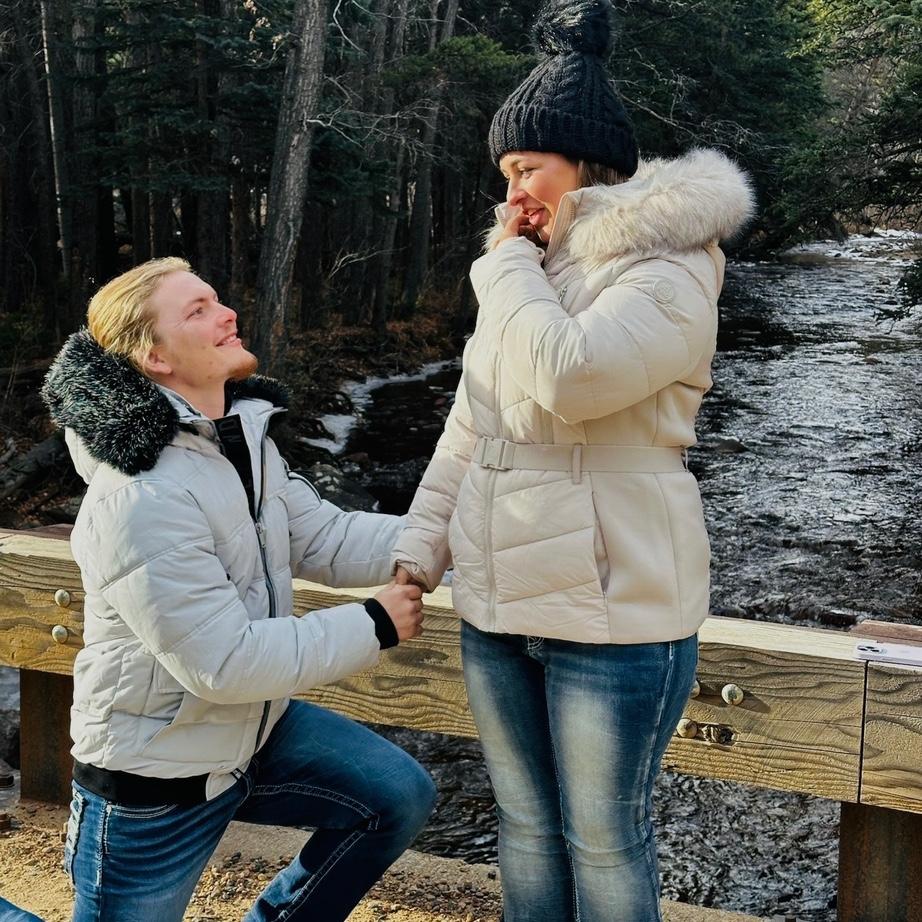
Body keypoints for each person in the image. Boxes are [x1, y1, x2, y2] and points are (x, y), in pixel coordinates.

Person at [390, 0, 755, 919]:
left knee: (604, 837)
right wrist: (418, 554)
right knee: (524, 826)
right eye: (505, 173)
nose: (512, 192)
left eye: (527, 168)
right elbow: (472, 429)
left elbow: (574, 378)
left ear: (585, 164)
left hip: (615, 612)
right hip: (498, 600)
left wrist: (504, 268)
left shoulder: (670, 265)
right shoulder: (532, 270)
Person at [41, 257, 437, 922]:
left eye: (216, 299)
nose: (227, 314)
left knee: (394, 795)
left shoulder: (239, 443)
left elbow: (325, 538)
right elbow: (222, 663)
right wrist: (374, 623)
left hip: (252, 736)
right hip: (154, 783)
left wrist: (453, 539)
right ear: (155, 358)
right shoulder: (141, 496)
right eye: (197, 311)